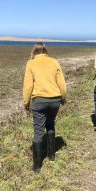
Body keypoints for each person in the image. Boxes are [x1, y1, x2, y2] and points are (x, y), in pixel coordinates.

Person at [23, 42, 67, 173]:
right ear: (45, 51)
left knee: (38, 131)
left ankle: (37, 166)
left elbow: (28, 86)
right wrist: (63, 97)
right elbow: (62, 83)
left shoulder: (31, 63)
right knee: (51, 124)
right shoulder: (54, 62)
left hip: (39, 101)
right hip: (55, 100)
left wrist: (26, 102)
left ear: (34, 52)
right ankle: (51, 155)